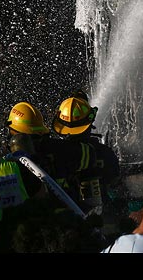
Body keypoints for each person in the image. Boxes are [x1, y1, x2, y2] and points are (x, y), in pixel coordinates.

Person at [52, 94, 123, 234]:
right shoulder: (103, 153)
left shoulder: (52, 153)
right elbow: (116, 184)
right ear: (90, 123)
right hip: (98, 225)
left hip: (61, 225)